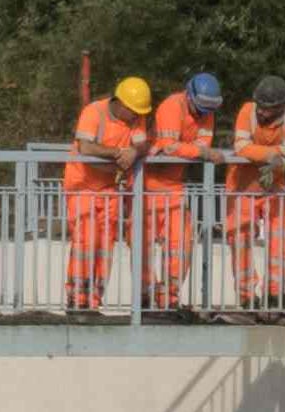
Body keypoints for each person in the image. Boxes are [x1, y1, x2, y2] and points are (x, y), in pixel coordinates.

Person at [64, 73, 151, 314]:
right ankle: (77, 298)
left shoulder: (137, 117)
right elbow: (86, 147)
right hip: (82, 185)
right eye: (133, 111)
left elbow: (142, 144)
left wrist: (134, 152)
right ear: (120, 103)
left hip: (109, 188)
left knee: (105, 245)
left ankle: (94, 300)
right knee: (86, 241)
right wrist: (117, 153)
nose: (137, 116)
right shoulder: (94, 112)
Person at [141, 72, 219, 315]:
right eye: (200, 109)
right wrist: (198, 152)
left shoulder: (207, 113)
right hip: (146, 186)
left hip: (174, 187)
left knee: (182, 245)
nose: (204, 115)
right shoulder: (171, 107)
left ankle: (169, 299)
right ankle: (147, 294)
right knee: (141, 245)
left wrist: (193, 150)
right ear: (189, 95)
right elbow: (169, 147)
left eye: (209, 110)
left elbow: (201, 145)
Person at [227, 75, 285, 306]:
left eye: (267, 109)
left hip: (274, 186)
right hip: (241, 186)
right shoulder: (247, 111)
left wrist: (271, 156)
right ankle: (247, 296)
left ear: (281, 107)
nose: (261, 112)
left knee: (281, 237)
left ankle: (275, 294)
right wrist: (271, 155)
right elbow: (241, 147)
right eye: (259, 106)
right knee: (240, 240)